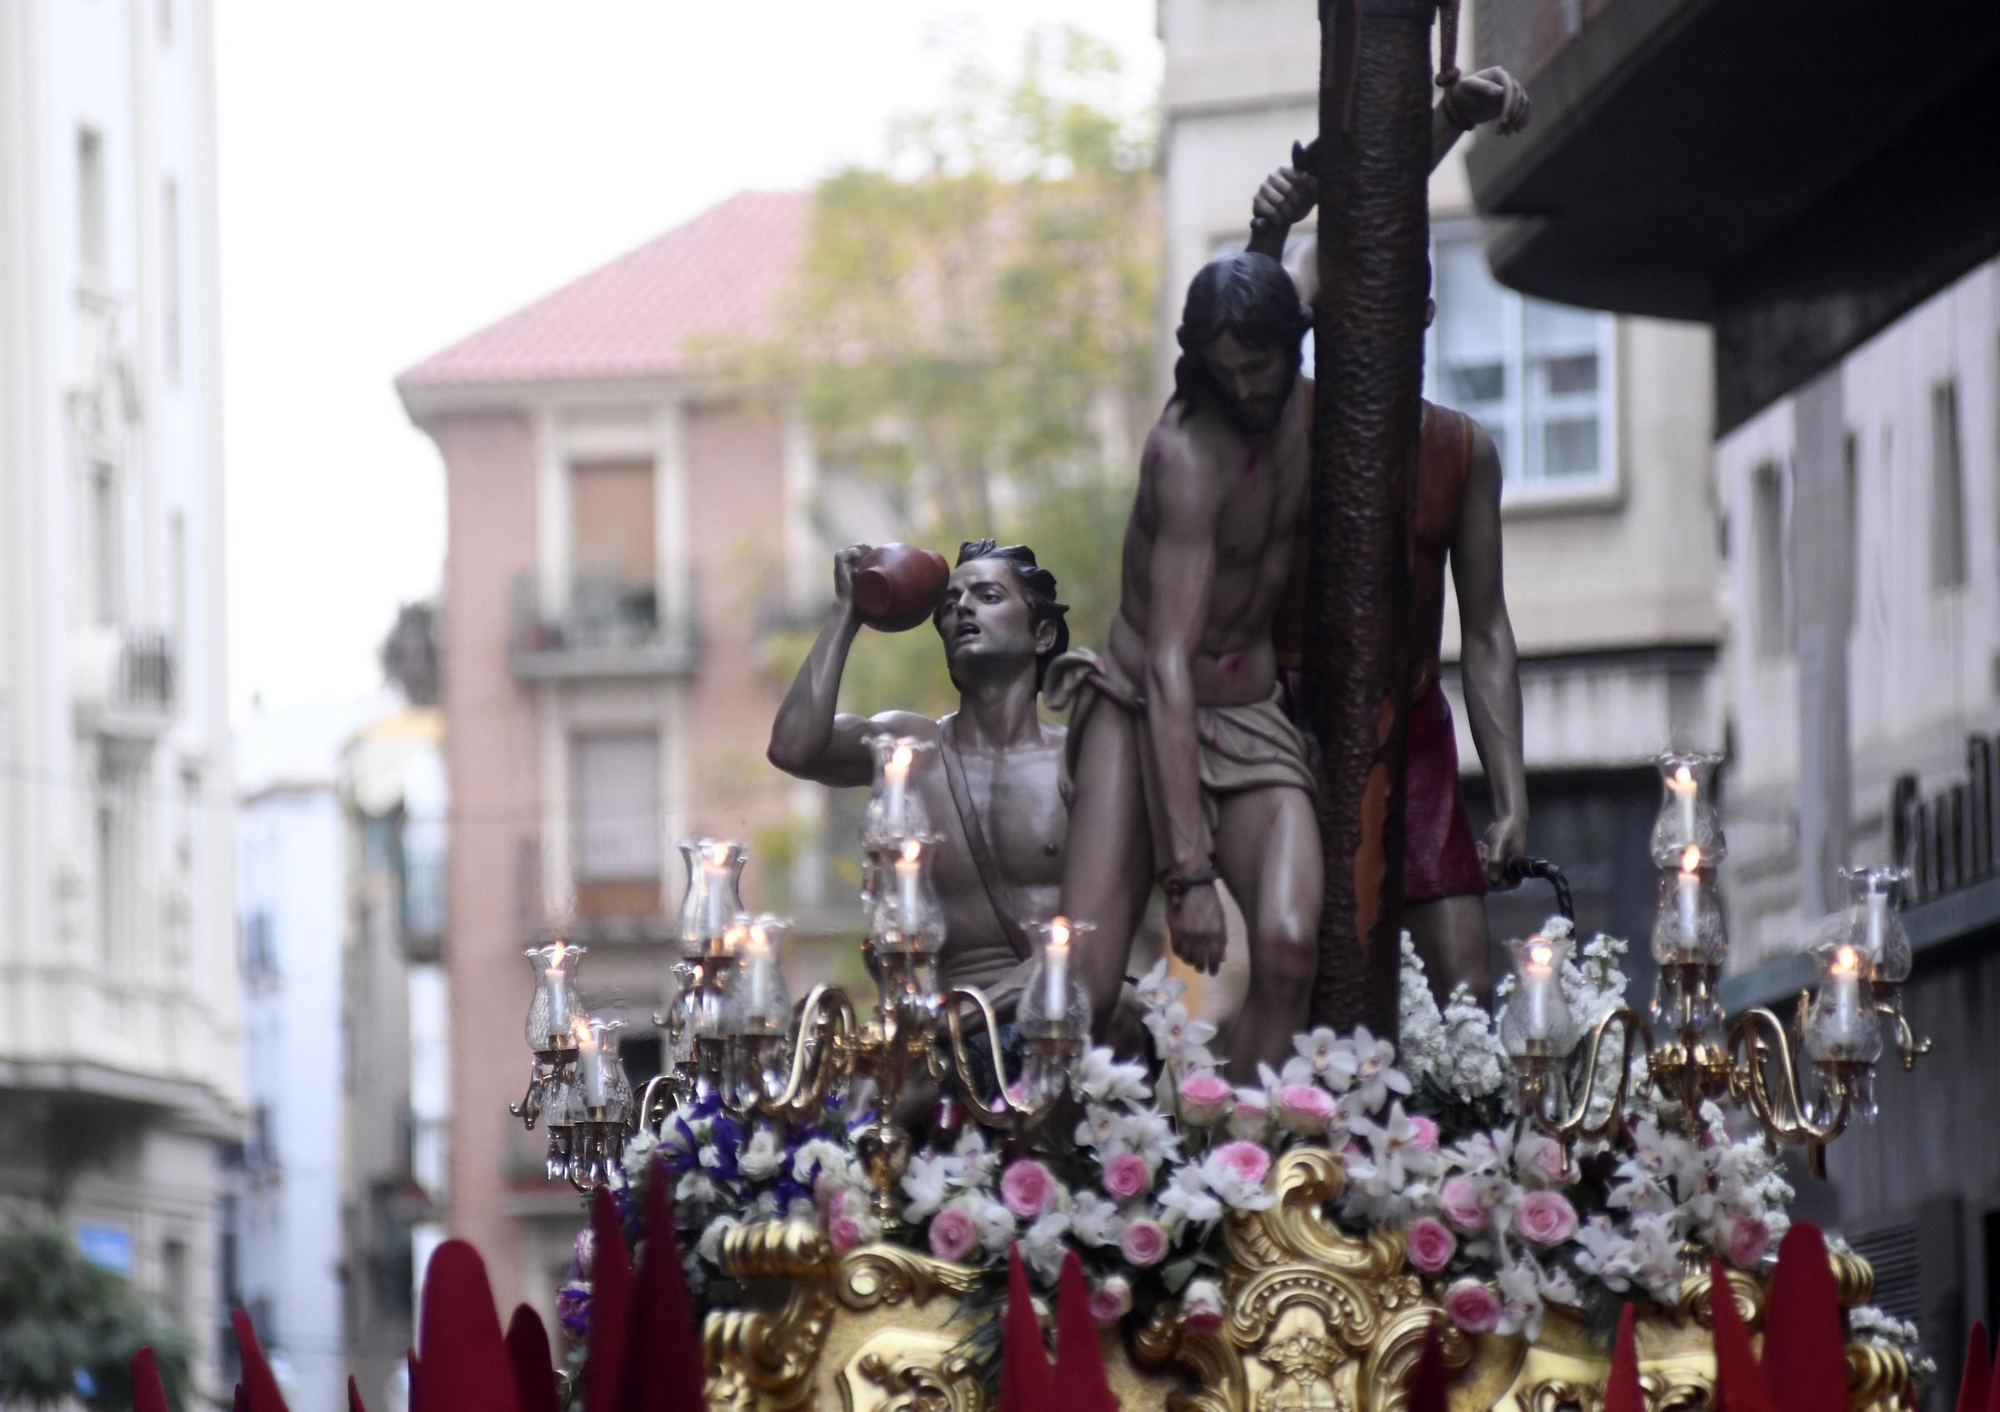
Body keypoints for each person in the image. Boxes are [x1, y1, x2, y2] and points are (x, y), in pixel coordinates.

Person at [1248, 134, 1529, 1006]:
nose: (1366, 319)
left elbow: (1484, 628)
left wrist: (1512, 795)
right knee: (1297, 970)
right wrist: (1269, 239)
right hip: (1288, 719)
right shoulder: (1278, 419)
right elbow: (1239, 352)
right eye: (1344, 300)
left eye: (1391, 299)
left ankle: (1470, 1144)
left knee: (1468, 990)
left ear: (1426, 313)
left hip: (1411, 723)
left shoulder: (1460, 449)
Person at [768, 540, 1069, 1010]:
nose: (963, 606)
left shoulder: (1079, 759)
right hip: (935, 1040)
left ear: (1043, 634)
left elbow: (1102, 928)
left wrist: (983, 1013)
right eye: (950, 605)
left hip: (1053, 1027)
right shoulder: (908, 749)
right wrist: (847, 612)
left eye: (987, 596)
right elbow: (793, 749)